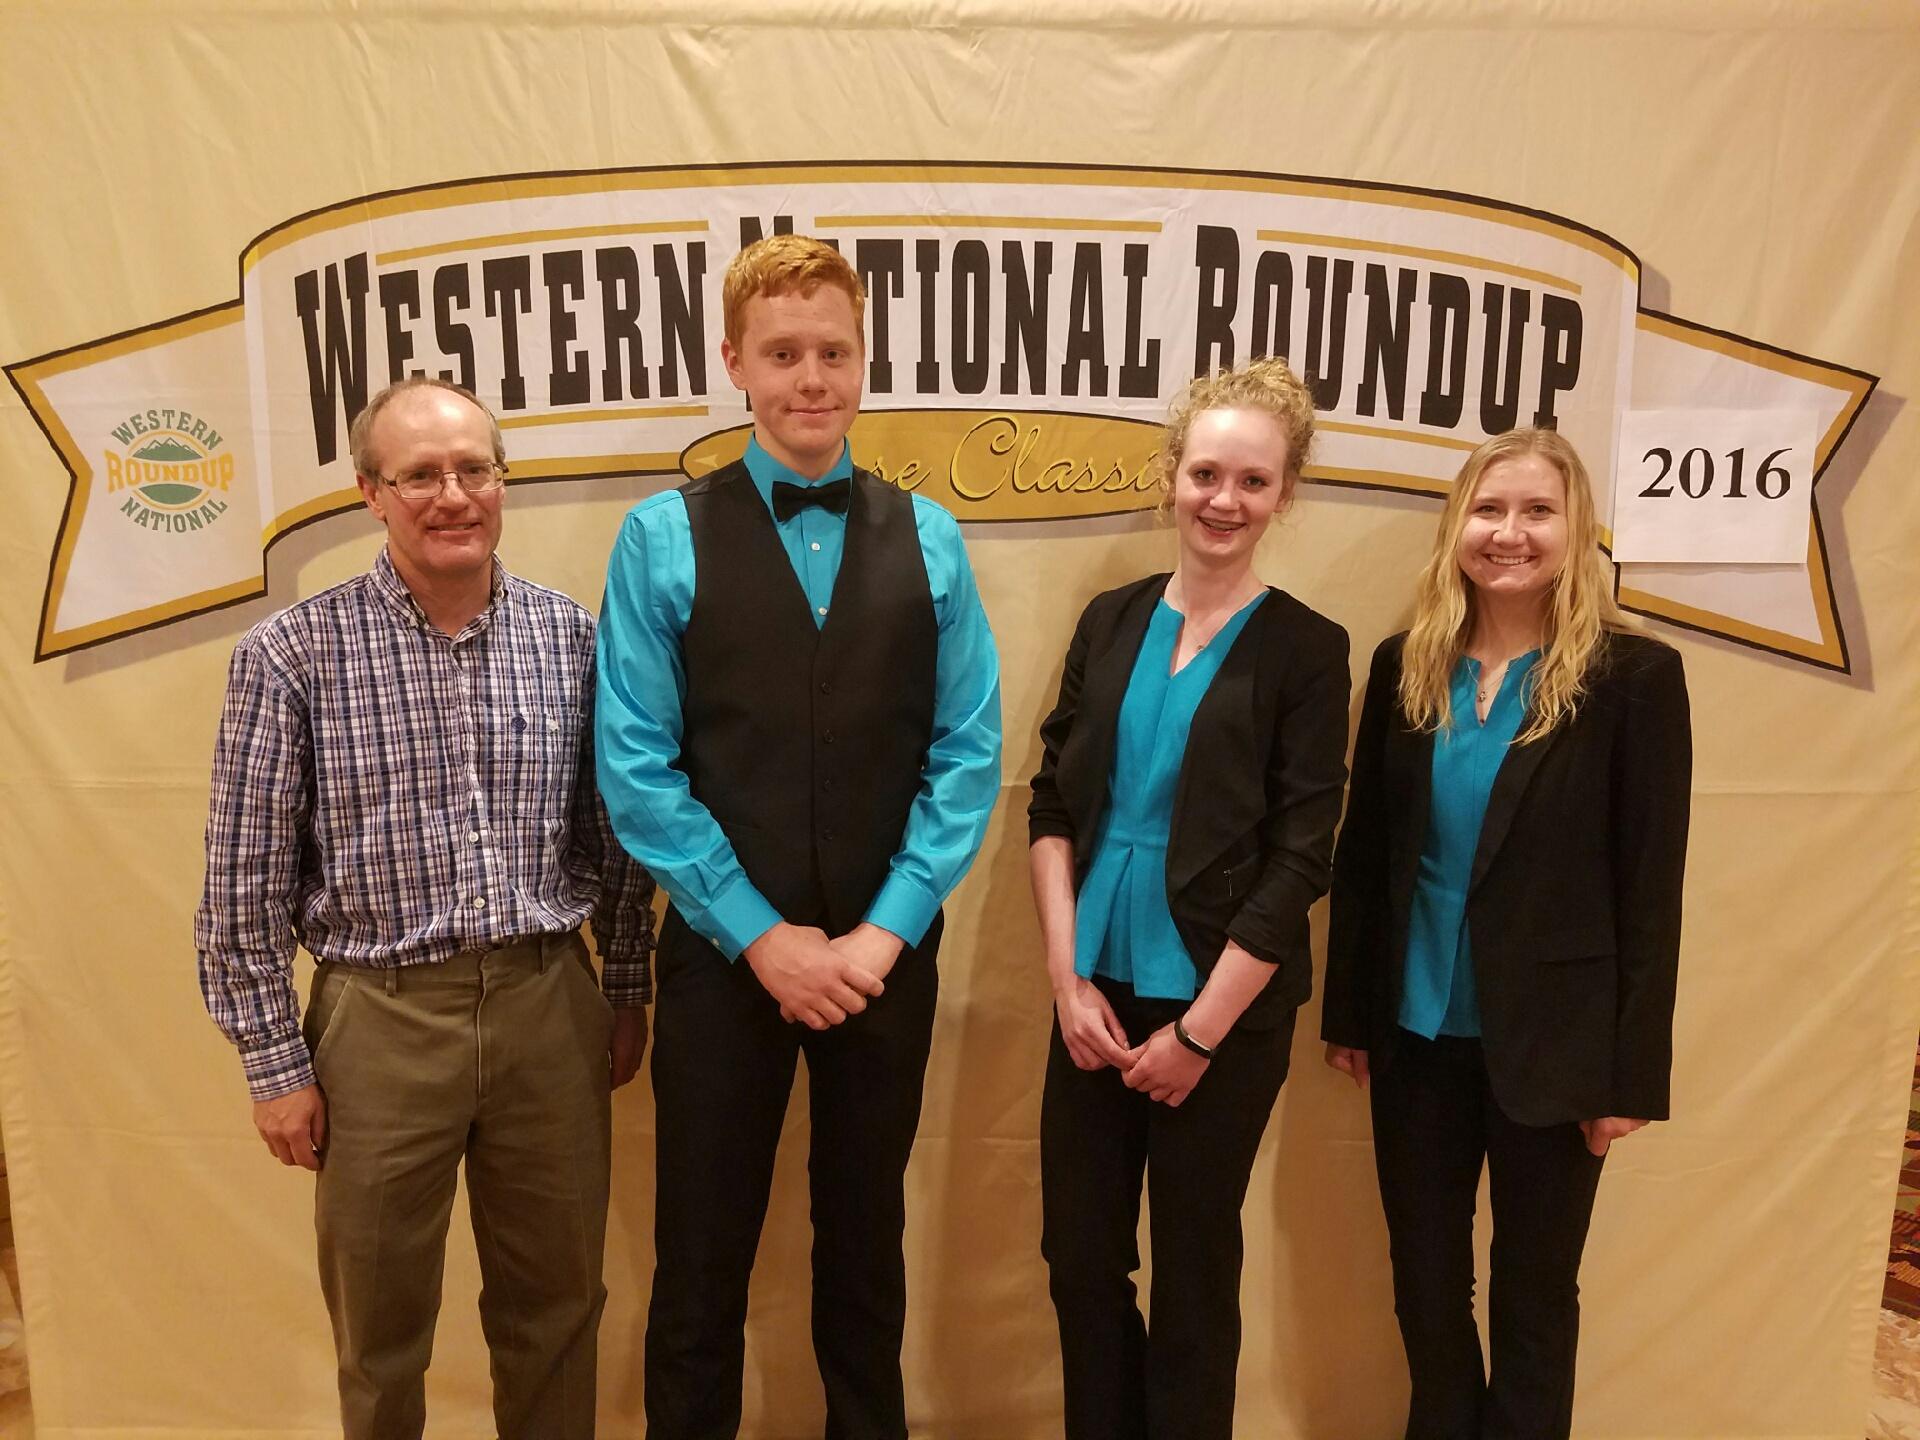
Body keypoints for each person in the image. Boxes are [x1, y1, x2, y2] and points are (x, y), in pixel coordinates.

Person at [595, 233, 1002, 1440]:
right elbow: (636, 770)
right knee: (700, 1260)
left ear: (865, 363)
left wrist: (880, 938)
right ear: (735, 362)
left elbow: (966, 756)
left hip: (888, 962)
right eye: (782, 353)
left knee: (867, 1250)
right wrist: (764, 938)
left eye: (833, 351)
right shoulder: (658, 539)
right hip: (725, 965)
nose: (809, 376)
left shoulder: (929, 538)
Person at [195, 376, 657, 1439]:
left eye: (473, 469)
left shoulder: (576, 644)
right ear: (372, 492)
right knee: (380, 1325)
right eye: (419, 475)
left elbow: (620, 841)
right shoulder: (290, 656)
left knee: (557, 1310)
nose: (452, 496)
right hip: (378, 1021)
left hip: (551, 1005)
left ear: (502, 483)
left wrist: (622, 989)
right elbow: (239, 883)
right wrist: (274, 1066)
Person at [1322, 426, 1692, 1439]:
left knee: (1534, 1297)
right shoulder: (1408, 664)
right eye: (1489, 510)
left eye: (1537, 512)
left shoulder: (1634, 681)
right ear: (1458, 528)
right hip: (1416, 1037)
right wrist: (1349, 1011)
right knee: (1427, 1288)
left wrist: (1627, 1077)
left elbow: (1651, 891)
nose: (1510, 533)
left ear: (1577, 531)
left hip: (1557, 1052)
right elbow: (1365, 860)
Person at [1026, 357, 1351, 1440]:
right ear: (1173, 475)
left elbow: (1303, 857)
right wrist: (1068, 982)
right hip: (1094, 992)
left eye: (1253, 482)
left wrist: (1200, 1037)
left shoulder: (1309, 650)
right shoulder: (1110, 619)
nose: (1225, 500)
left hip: (1222, 1009)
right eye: (1207, 472)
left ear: (1284, 495)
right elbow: (1051, 808)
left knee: (1196, 1273)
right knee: (1079, 1260)